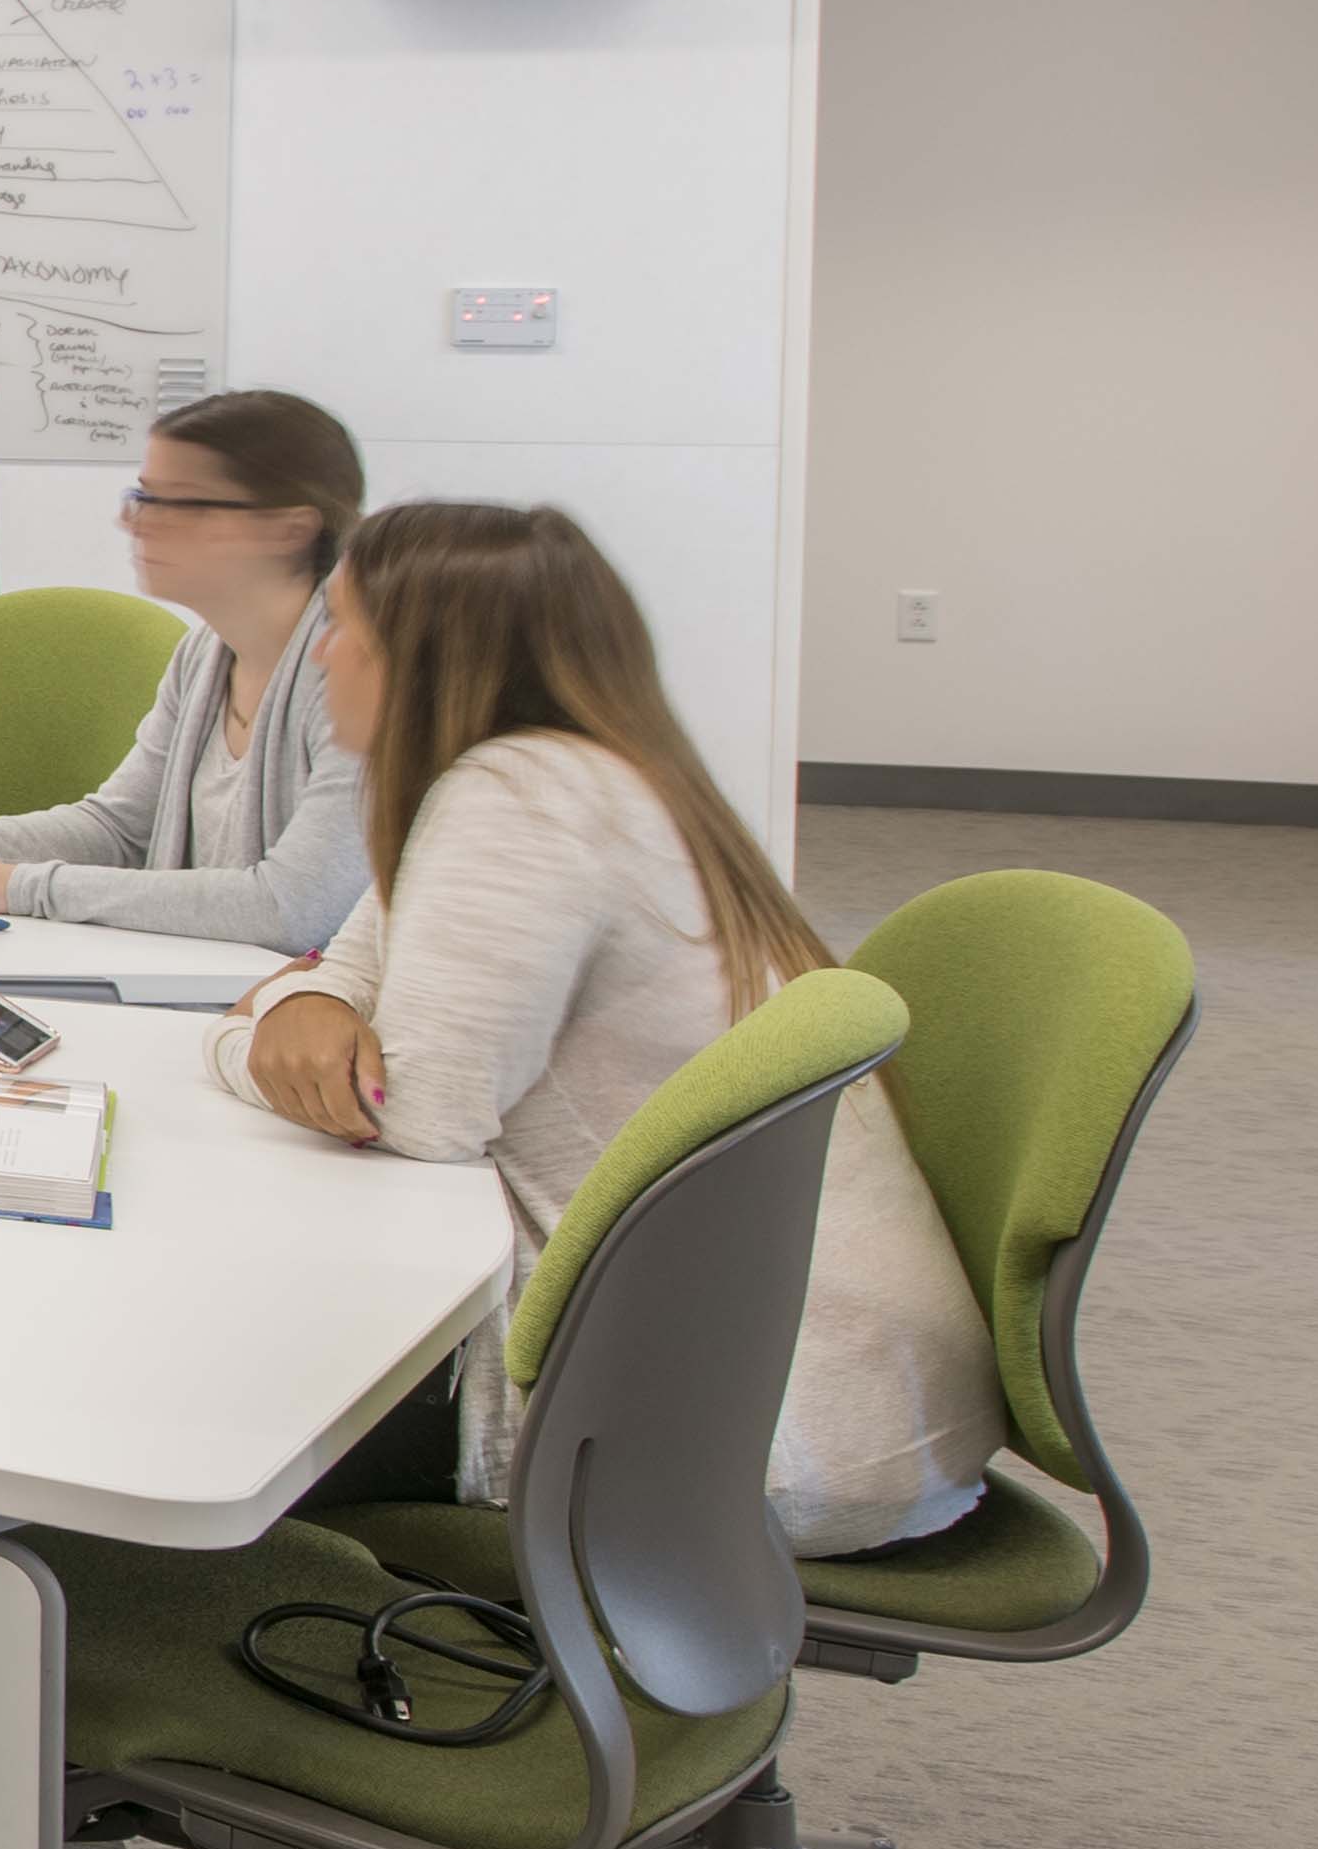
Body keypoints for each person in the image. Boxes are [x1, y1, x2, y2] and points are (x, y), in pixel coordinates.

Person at [213, 498, 1000, 1560]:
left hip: (737, 1434)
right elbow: (347, 965)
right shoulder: (582, 772)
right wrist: (300, 1001)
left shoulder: (522, 805)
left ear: (431, 659)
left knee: (177, 1397)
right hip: (808, 1386)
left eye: (347, 628)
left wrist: (253, 1029)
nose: (322, 661)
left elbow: (418, 1116)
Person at [0, 387, 369, 945]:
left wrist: (22, 885)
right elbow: (121, 829)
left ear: (289, 529)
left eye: (184, 503)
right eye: (143, 497)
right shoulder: (205, 655)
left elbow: (294, 909)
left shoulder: (362, 679)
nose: (138, 523)